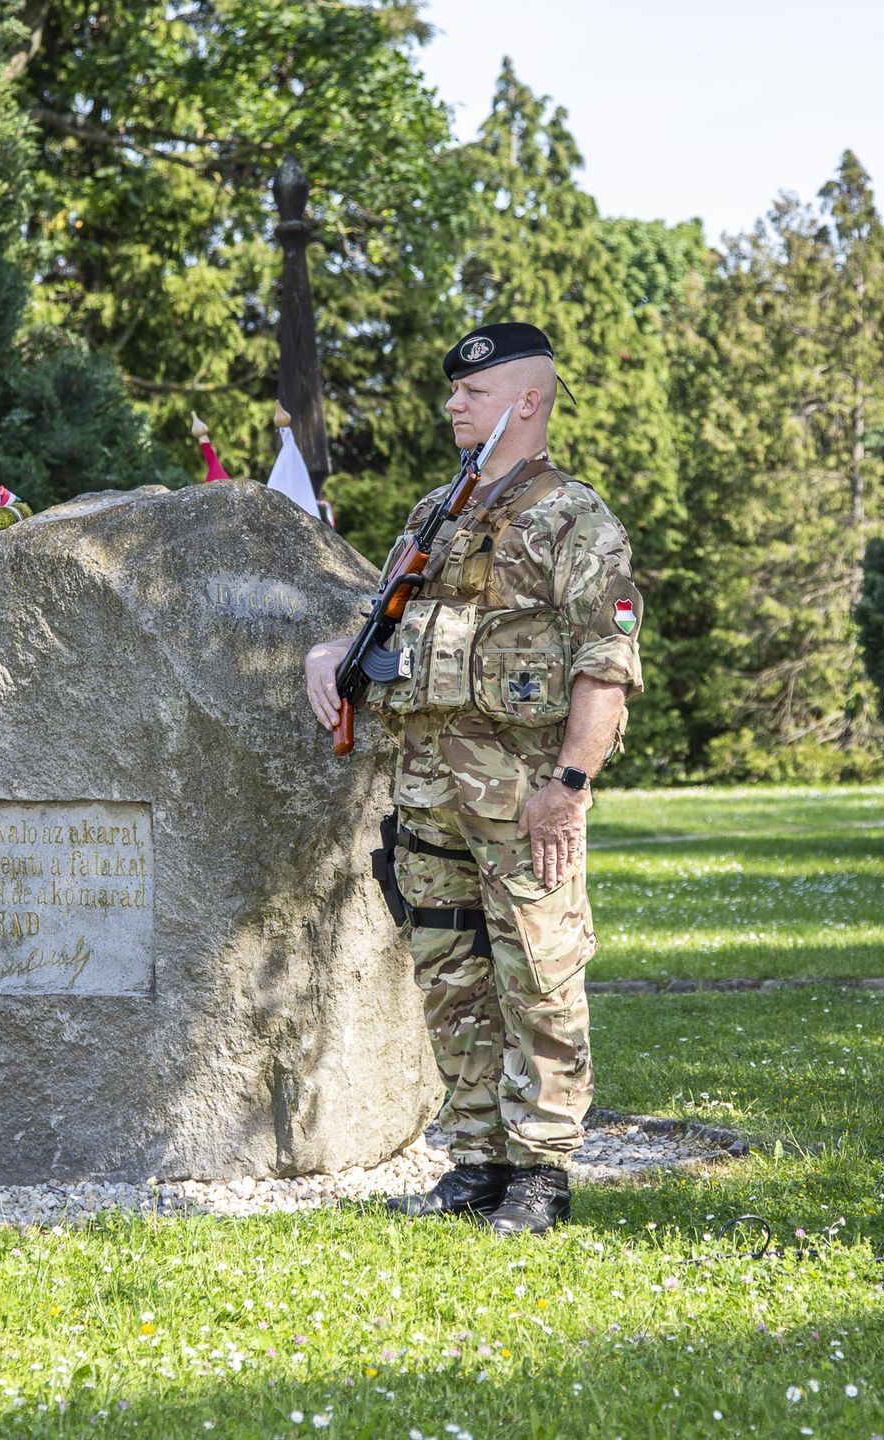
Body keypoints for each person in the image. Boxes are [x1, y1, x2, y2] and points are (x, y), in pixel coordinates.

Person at [303, 321, 642, 1236]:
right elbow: (384, 622)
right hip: (427, 793)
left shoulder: (575, 519)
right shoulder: (436, 513)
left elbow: (606, 665)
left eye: (474, 392)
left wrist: (569, 785)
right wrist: (328, 653)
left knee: (538, 973)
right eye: (455, 391)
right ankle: (478, 1160)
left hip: (522, 796)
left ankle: (541, 1170)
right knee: (449, 972)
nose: (454, 403)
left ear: (526, 401)